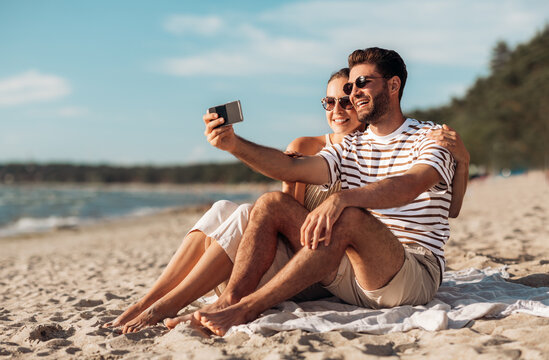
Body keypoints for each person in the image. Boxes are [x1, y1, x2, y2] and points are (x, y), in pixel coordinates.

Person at [193, 47, 463, 336]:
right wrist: (235, 145)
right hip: (351, 273)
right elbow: (292, 168)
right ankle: (230, 300)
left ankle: (247, 309)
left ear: (393, 85)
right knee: (272, 202)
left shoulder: (431, 137)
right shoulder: (351, 145)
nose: (354, 93)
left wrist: (341, 198)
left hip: (410, 273)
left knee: (349, 216)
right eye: (350, 86)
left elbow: (409, 185)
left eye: (363, 83)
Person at [103, 67, 366, 333]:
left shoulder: (369, 152)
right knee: (222, 209)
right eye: (329, 102)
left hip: (317, 268)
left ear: (359, 101)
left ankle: (166, 305)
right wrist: (287, 176)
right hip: (288, 249)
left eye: (345, 102)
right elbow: (287, 211)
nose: (337, 110)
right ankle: (147, 301)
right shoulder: (305, 146)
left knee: (244, 213)